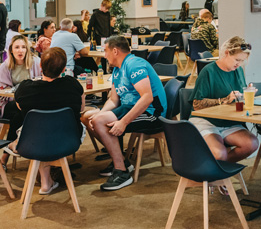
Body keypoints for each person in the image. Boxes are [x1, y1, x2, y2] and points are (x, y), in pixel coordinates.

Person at [81, 35, 167, 191]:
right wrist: (99, 114)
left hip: (151, 113)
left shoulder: (134, 64)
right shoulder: (117, 69)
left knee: (99, 121)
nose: (104, 55)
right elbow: (114, 100)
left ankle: (122, 171)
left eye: (105, 51)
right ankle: (121, 160)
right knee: (87, 117)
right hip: (129, 107)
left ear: (115, 51)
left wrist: (124, 122)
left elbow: (147, 98)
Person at [4, 47, 84, 194]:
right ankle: (53, 172)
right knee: (51, 129)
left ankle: (46, 181)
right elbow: (81, 108)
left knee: (39, 129)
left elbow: (19, 107)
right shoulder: (73, 85)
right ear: (64, 68)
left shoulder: (25, 89)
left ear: (40, 66)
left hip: (34, 142)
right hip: (69, 139)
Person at [188, 37, 258, 168]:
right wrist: (223, 100)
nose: (239, 64)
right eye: (237, 60)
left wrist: (245, 95)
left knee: (252, 144)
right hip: (206, 121)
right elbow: (196, 104)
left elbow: (237, 98)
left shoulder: (238, 71)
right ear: (226, 53)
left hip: (228, 121)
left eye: (242, 61)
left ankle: (216, 172)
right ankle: (219, 175)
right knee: (220, 154)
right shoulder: (208, 71)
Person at [0, 35, 42, 152]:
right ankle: (36, 146)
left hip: (29, 103)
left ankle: (8, 152)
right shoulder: (5, 66)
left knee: (20, 115)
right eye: (17, 47)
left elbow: (41, 81)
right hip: (10, 103)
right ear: (11, 50)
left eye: (23, 47)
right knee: (25, 110)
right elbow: (2, 89)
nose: (20, 50)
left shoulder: (36, 62)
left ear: (27, 49)